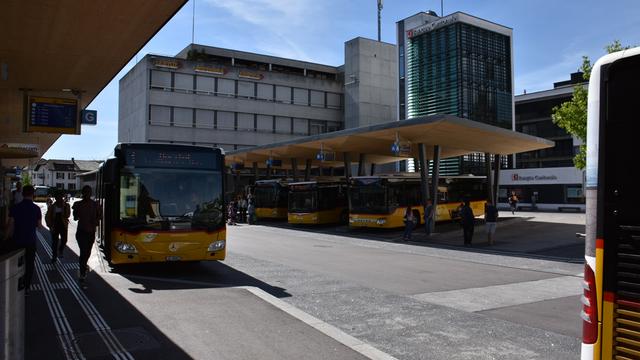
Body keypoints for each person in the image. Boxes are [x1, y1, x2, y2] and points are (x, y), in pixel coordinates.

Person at [4, 185, 45, 296]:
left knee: (15, 263)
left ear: (22, 194)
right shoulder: (36, 209)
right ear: (33, 195)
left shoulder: (15, 208)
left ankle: (13, 283)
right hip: (30, 241)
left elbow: (10, 226)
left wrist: (5, 238)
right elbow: (40, 226)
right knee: (30, 264)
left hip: (16, 241)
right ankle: (26, 287)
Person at [72, 185, 101, 286]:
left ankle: (83, 267)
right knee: (83, 252)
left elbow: (99, 217)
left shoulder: (95, 204)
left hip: (91, 232)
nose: (87, 194)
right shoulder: (78, 204)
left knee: (87, 252)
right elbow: (75, 218)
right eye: (85, 192)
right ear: (83, 193)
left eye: (88, 192)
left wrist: (95, 220)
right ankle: (82, 272)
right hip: (82, 232)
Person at [46, 192, 70, 262]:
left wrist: (64, 208)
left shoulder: (66, 205)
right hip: (54, 225)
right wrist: (49, 225)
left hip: (63, 225)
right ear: (55, 198)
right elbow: (47, 216)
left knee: (64, 240)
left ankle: (60, 250)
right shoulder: (52, 207)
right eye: (57, 198)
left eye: (60, 197)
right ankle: (54, 256)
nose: (59, 199)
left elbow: (68, 215)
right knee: (54, 242)